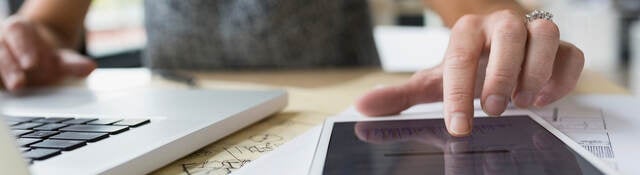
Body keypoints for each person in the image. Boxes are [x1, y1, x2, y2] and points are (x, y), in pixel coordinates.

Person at [0, 0, 584, 137]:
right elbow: (48, 21)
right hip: (179, 125)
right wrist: (26, 39)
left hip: (344, 124)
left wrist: (514, 27)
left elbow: (484, 12)